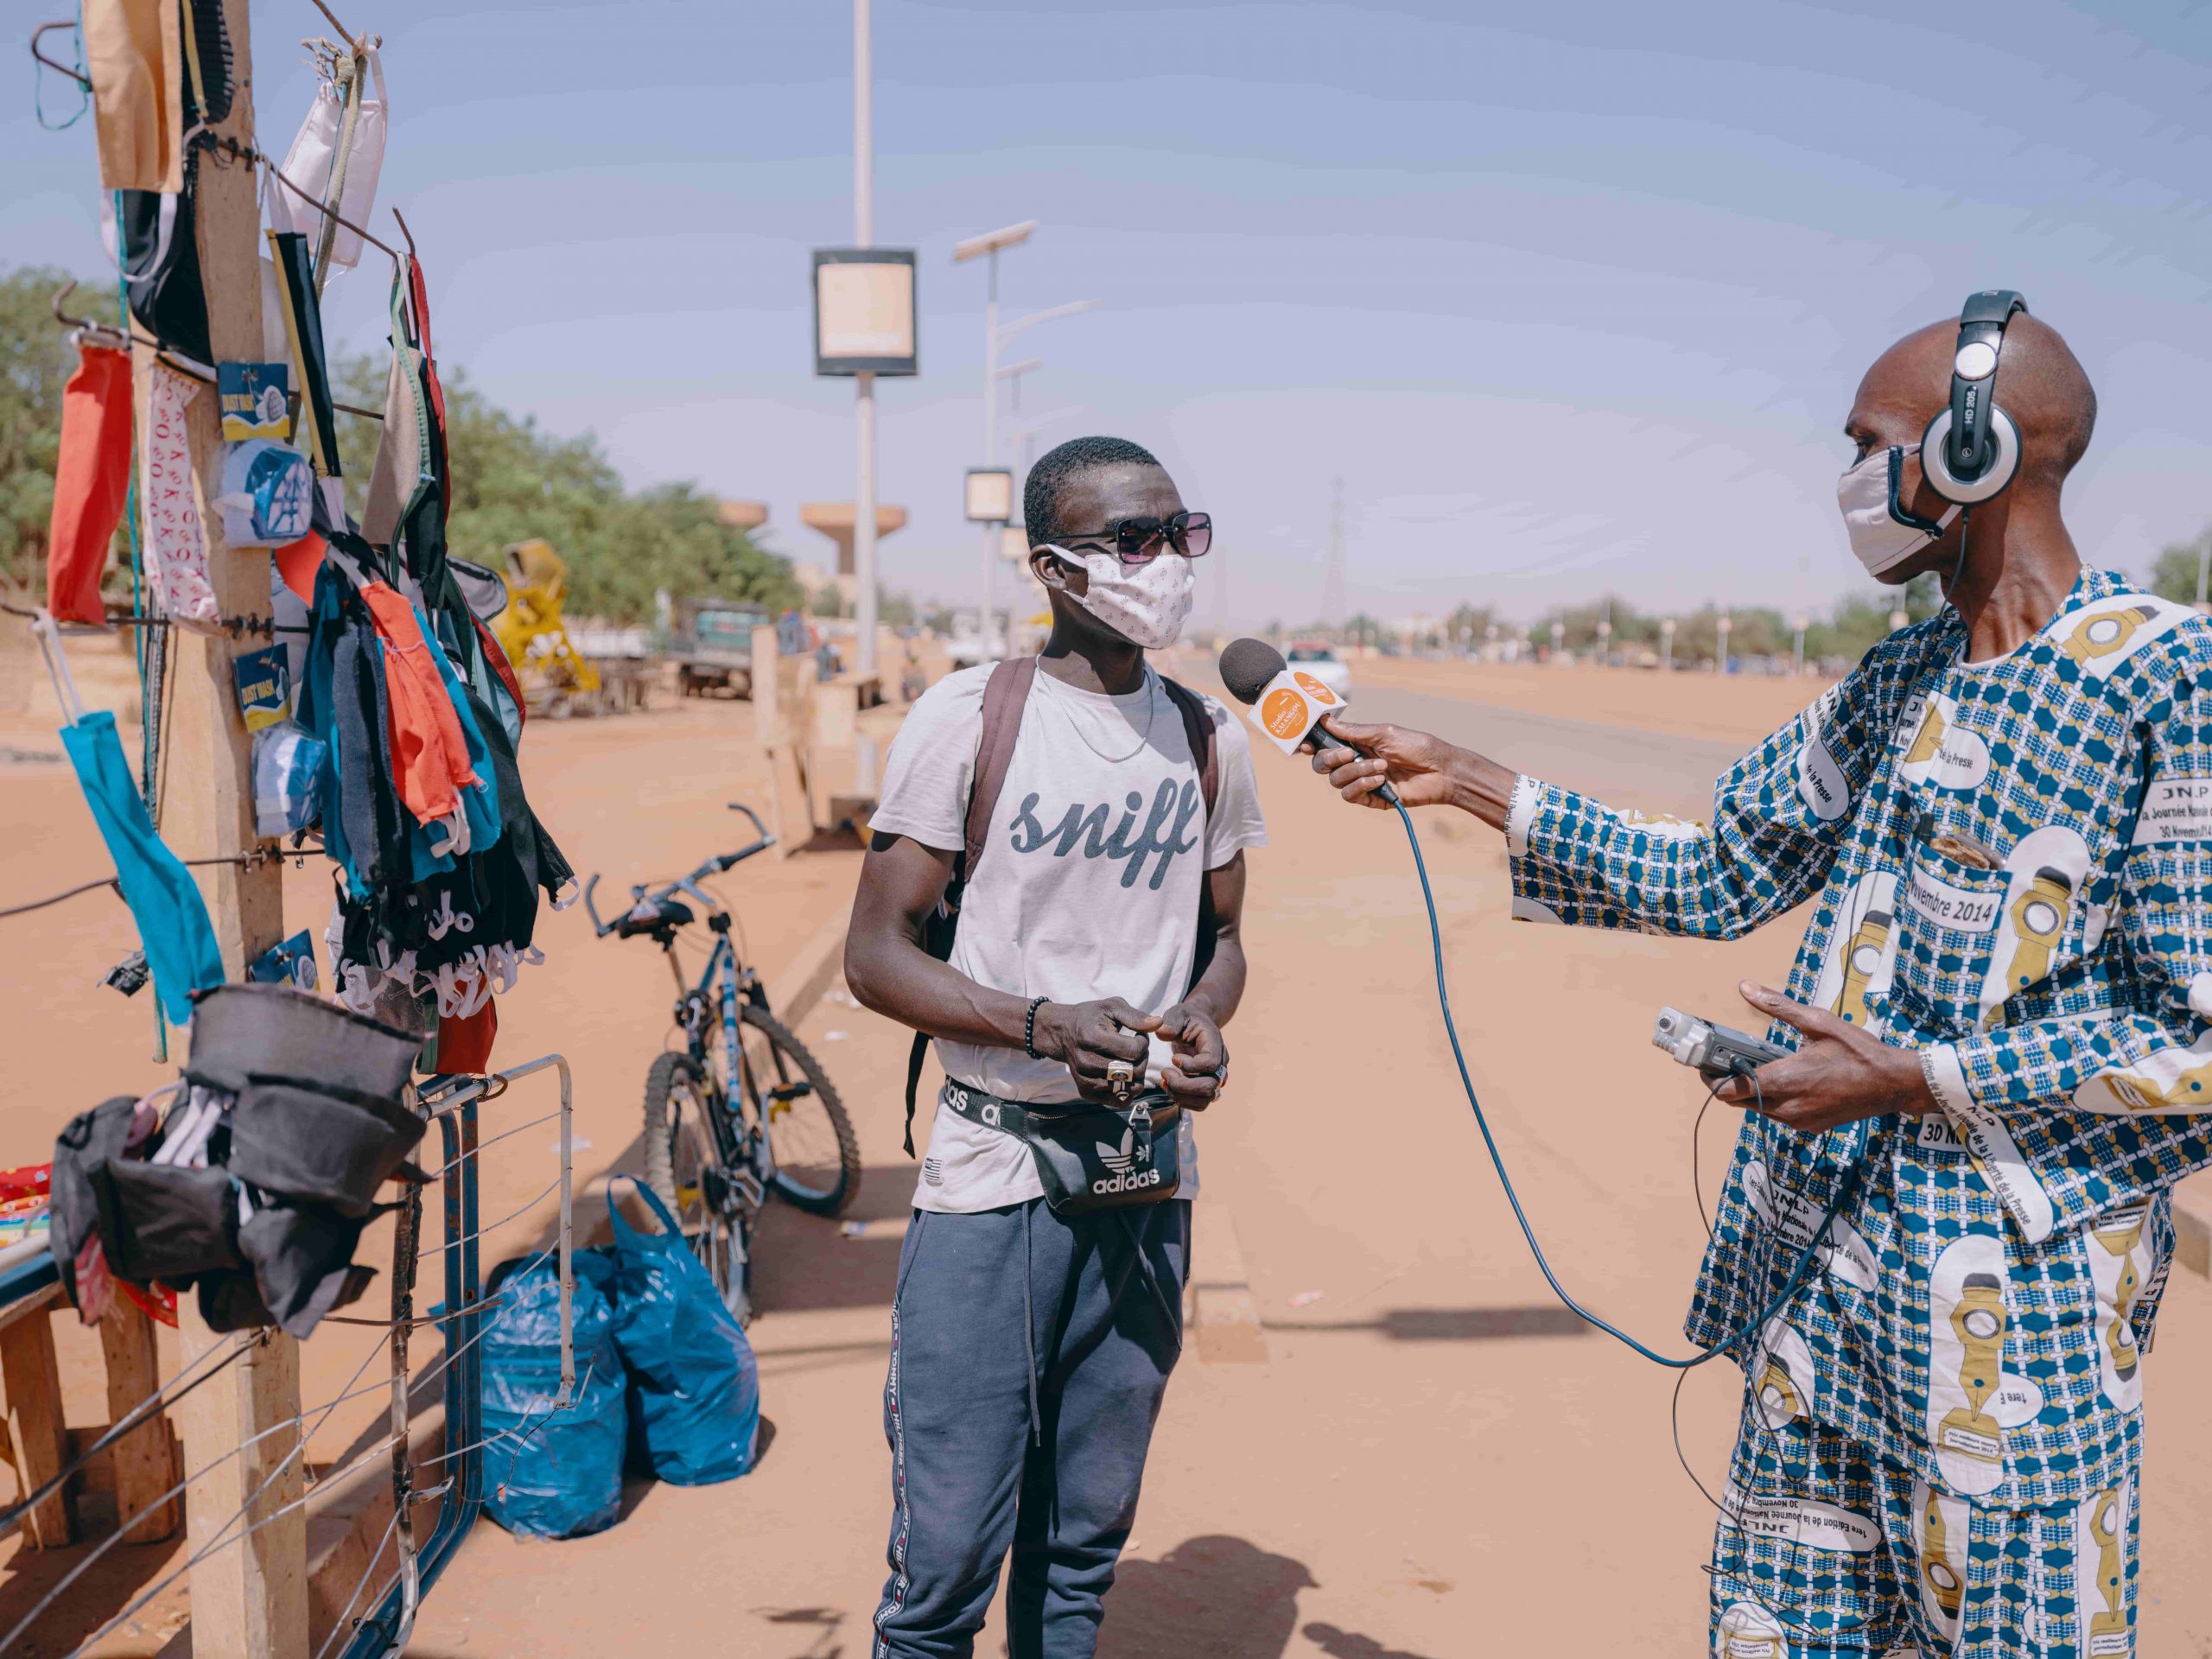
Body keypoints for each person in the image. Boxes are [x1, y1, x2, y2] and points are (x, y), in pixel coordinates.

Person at [1311, 296, 2206, 1656]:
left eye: (1870, 444)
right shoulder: (1898, 672)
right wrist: (1475, 786)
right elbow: (1724, 862)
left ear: (1974, 452)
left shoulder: (2168, 678)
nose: (1850, 480)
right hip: (1821, 1272)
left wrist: (1916, 1077)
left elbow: (2193, 1030)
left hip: (2016, 1321)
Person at [845, 435, 1266, 1658]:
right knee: (944, 1572)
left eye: (1177, 533)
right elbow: (876, 954)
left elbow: (1227, 938)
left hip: (1146, 1187)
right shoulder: (971, 718)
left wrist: (1203, 1021)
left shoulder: (1205, 738)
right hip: (996, 1185)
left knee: (1083, 1549)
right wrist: (1039, 1023)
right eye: (1129, 540)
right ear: (1052, 567)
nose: (1164, 563)